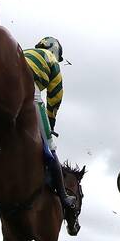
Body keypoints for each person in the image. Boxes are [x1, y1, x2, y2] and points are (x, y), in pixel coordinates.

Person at [23, 36, 78, 225]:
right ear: (55, 51)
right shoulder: (52, 60)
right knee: (51, 147)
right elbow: (55, 99)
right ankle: (63, 196)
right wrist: (50, 127)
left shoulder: (26, 52)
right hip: (30, 90)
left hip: (5, 80)